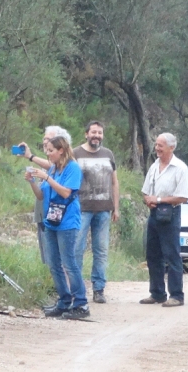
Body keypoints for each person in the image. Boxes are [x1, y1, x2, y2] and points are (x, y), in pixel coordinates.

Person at [23, 136, 89, 320]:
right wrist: (32, 181)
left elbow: (67, 191)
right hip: (50, 220)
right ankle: (64, 301)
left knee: (69, 262)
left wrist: (47, 178)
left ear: (61, 150)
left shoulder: (72, 168)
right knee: (53, 263)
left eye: (51, 150)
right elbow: (41, 196)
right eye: (47, 150)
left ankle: (81, 303)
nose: (48, 153)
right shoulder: (53, 169)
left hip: (67, 222)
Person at [71, 121, 119, 304]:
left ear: (102, 135)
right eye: (93, 132)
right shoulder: (76, 153)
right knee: (77, 250)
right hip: (80, 210)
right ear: (86, 134)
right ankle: (77, 289)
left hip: (103, 210)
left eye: (99, 133)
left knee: (101, 250)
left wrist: (116, 207)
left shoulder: (108, 154)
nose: (96, 135)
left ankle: (99, 289)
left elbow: (115, 182)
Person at [140, 133, 188, 307]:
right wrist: (148, 199)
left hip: (171, 214)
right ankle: (157, 293)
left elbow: (182, 197)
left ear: (171, 147)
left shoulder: (180, 168)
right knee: (153, 255)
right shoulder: (154, 166)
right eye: (156, 145)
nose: (157, 148)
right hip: (154, 214)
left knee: (172, 254)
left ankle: (177, 295)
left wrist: (159, 200)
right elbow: (146, 190)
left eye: (161, 145)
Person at [18, 126, 72, 266]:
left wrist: (30, 157)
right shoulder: (49, 162)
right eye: (44, 139)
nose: (45, 142)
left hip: (58, 215)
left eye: (49, 139)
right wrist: (32, 181)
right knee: (46, 254)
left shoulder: (65, 165)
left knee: (58, 256)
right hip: (43, 210)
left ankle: (63, 284)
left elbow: (53, 166)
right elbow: (41, 194)